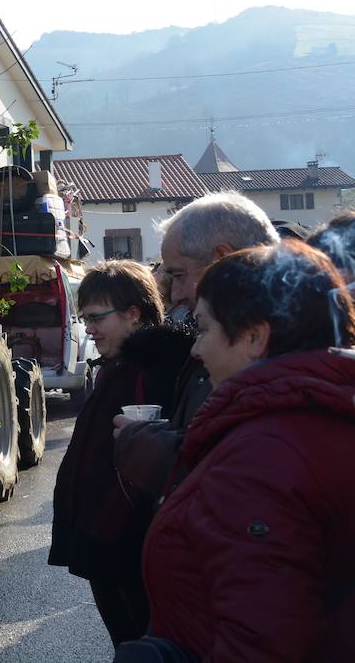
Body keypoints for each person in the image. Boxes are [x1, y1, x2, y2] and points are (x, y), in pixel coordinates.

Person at [122, 242, 355, 661]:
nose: (195, 349)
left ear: (253, 337)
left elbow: (262, 640)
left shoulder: (265, 457)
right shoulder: (325, 411)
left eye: (205, 329)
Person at [47, 261, 191, 648]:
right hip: (106, 540)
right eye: (85, 319)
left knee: (140, 641)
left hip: (127, 545)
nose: (89, 330)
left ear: (133, 314)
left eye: (96, 318)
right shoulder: (118, 364)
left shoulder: (156, 371)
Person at [113, 192, 279, 499]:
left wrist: (159, 454)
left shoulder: (278, 357)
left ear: (221, 258)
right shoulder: (237, 343)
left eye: (179, 275)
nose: (174, 295)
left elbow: (247, 487)